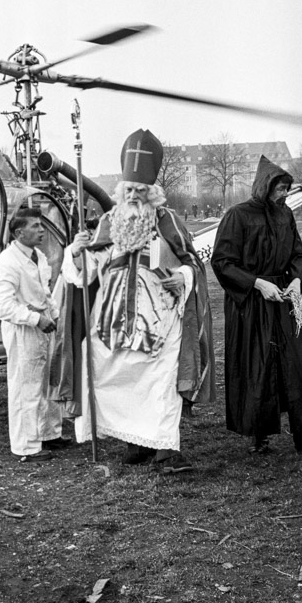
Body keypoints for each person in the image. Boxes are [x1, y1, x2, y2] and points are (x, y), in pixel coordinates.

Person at [64, 129, 215, 475]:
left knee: (160, 382)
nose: (134, 195)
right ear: (120, 191)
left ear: (152, 193)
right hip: (113, 320)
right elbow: (86, 272)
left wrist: (184, 276)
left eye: (140, 190)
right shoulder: (107, 222)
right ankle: (137, 442)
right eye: (128, 190)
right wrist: (76, 251)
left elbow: (192, 262)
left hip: (160, 318)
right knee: (109, 376)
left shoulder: (168, 222)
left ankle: (164, 451)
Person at [211, 156, 302, 456]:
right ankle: (258, 434)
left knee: (297, 366)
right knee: (258, 366)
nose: (282, 194)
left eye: (286, 189)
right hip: (251, 304)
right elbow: (223, 262)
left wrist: (296, 281)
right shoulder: (237, 215)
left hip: (284, 302)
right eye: (278, 188)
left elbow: (298, 254)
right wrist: (257, 283)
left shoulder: (285, 215)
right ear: (264, 187)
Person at [0, 207, 68, 462]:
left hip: (45, 327)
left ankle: (49, 433)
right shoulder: (7, 262)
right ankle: (26, 446)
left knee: (49, 381)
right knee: (27, 386)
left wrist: (54, 316)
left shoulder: (39, 257)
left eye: (41, 225)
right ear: (18, 232)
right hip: (23, 332)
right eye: (35, 226)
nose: (41, 230)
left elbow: (45, 293)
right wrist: (35, 318)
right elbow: (3, 306)